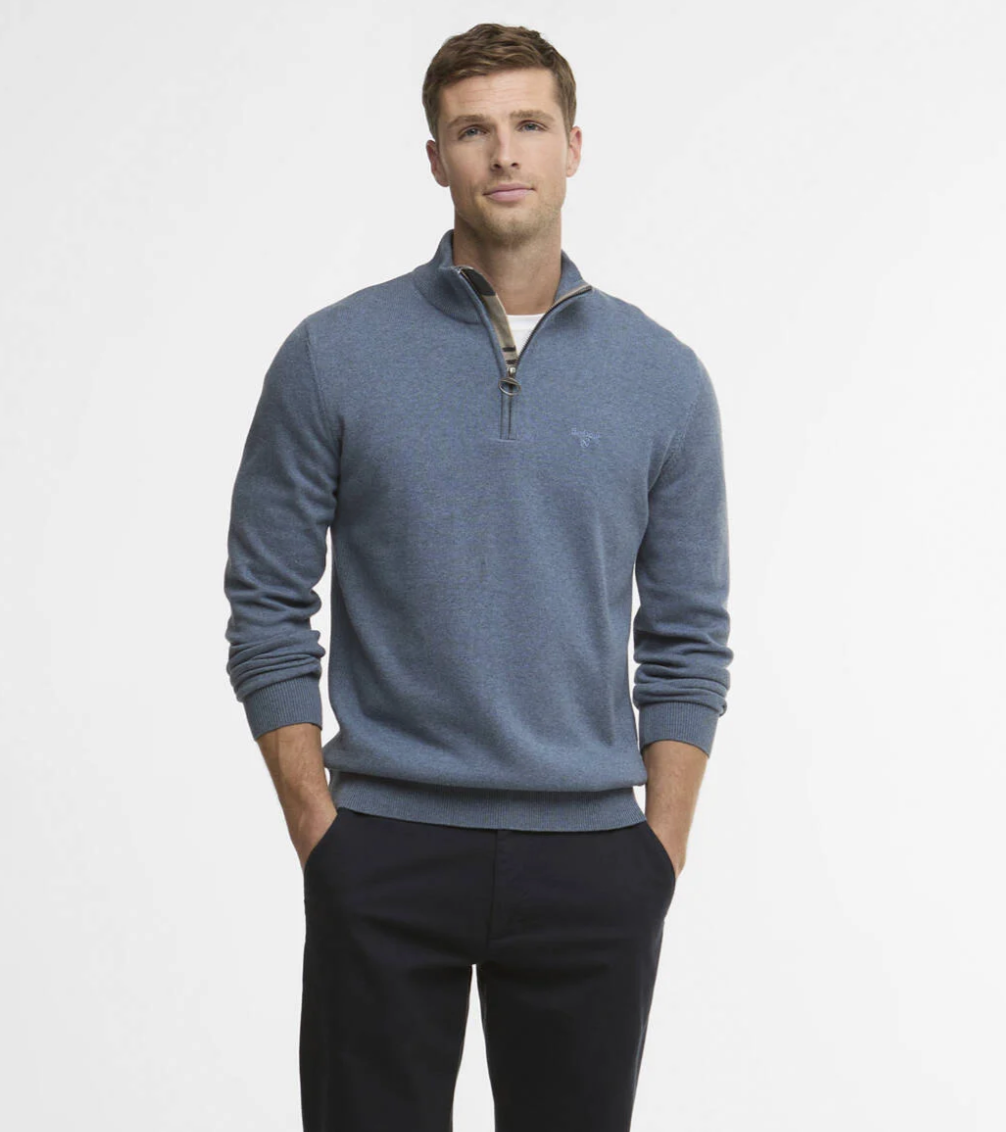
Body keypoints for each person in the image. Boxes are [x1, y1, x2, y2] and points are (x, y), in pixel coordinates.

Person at [222, 21, 733, 1132]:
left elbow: (688, 635)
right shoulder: (332, 355)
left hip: (592, 857)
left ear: (573, 146)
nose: (504, 153)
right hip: (385, 844)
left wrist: (659, 850)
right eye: (472, 131)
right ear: (435, 157)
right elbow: (265, 601)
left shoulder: (663, 378)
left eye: (529, 125)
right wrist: (321, 830)